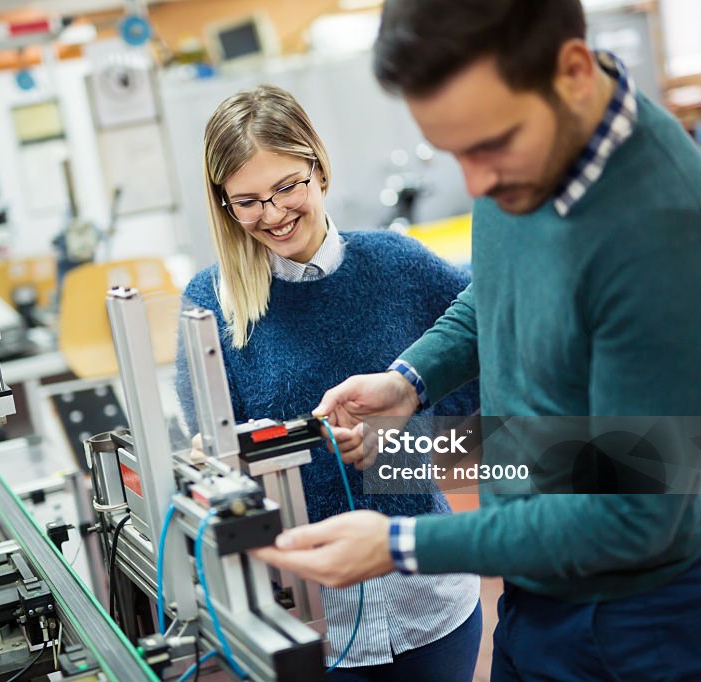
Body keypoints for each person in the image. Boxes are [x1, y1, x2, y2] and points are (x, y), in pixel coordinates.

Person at [254, 1, 701, 681]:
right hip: (536, 593)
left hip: (636, 625)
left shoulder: (666, 239)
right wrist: (410, 381)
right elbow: (496, 291)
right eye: (454, 151)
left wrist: (400, 544)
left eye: (487, 147)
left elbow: (634, 517)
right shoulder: (526, 148)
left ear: (573, 71)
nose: (475, 184)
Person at [174, 85, 482, 681]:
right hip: (309, 618)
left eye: (287, 186)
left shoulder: (399, 264)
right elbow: (218, 458)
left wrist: (398, 443)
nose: (272, 213)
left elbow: (477, 387)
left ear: (317, 167)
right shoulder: (211, 306)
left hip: (430, 598)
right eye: (248, 200)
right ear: (224, 204)